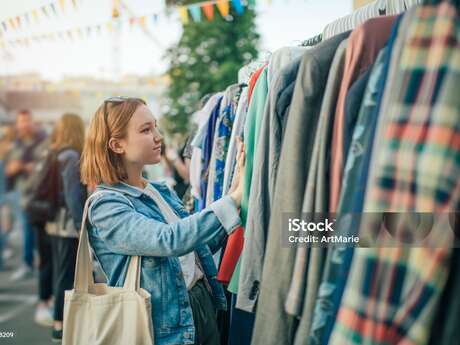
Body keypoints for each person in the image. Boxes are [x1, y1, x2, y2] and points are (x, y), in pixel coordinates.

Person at [80, 97, 245, 345]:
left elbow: (198, 247)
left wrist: (236, 193)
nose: (158, 136)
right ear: (116, 145)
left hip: (200, 305)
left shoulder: (159, 190)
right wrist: (231, 201)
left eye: (155, 126)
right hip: (162, 327)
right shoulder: (106, 206)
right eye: (146, 130)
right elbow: (169, 240)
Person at [44, 113, 87, 342]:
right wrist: (81, 225)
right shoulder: (71, 156)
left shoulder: (59, 153)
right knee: (65, 274)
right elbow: (72, 194)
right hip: (67, 224)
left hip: (57, 222)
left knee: (61, 273)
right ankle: (60, 324)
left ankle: (58, 321)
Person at [4, 110, 47, 280]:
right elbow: (9, 169)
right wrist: (14, 168)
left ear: (32, 121)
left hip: (41, 194)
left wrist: (24, 166)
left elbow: (44, 165)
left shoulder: (42, 139)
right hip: (21, 194)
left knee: (38, 231)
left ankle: (36, 263)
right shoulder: (16, 142)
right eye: (21, 121)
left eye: (27, 121)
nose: (24, 124)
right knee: (26, 229)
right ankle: (29, 263)